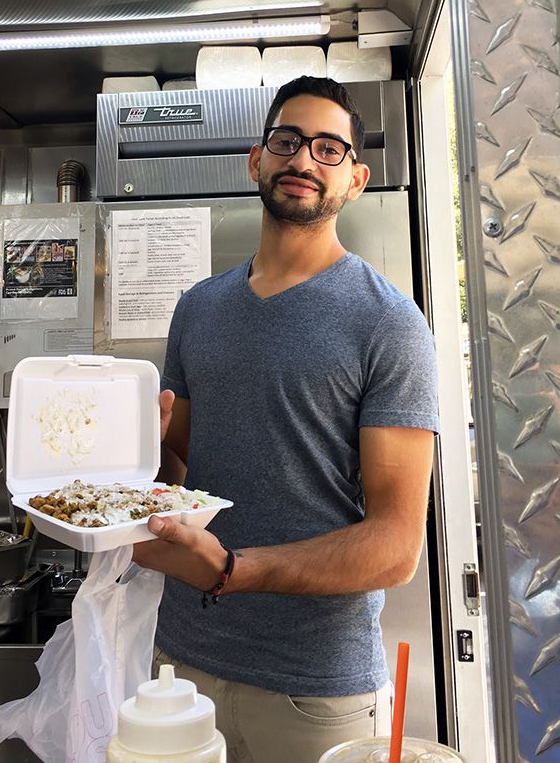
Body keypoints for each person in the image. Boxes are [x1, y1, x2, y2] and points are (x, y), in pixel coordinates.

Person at [133, 76, 439, 763]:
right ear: (257, 160)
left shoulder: (389, 323)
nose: (303, 159)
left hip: (317, 691)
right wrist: (130, 457)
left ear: (355, 180)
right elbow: (179, 470)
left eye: (329, 148)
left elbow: (396, 547)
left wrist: (232, 569)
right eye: (287, 140)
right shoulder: (197, 308)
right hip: (180, 662)